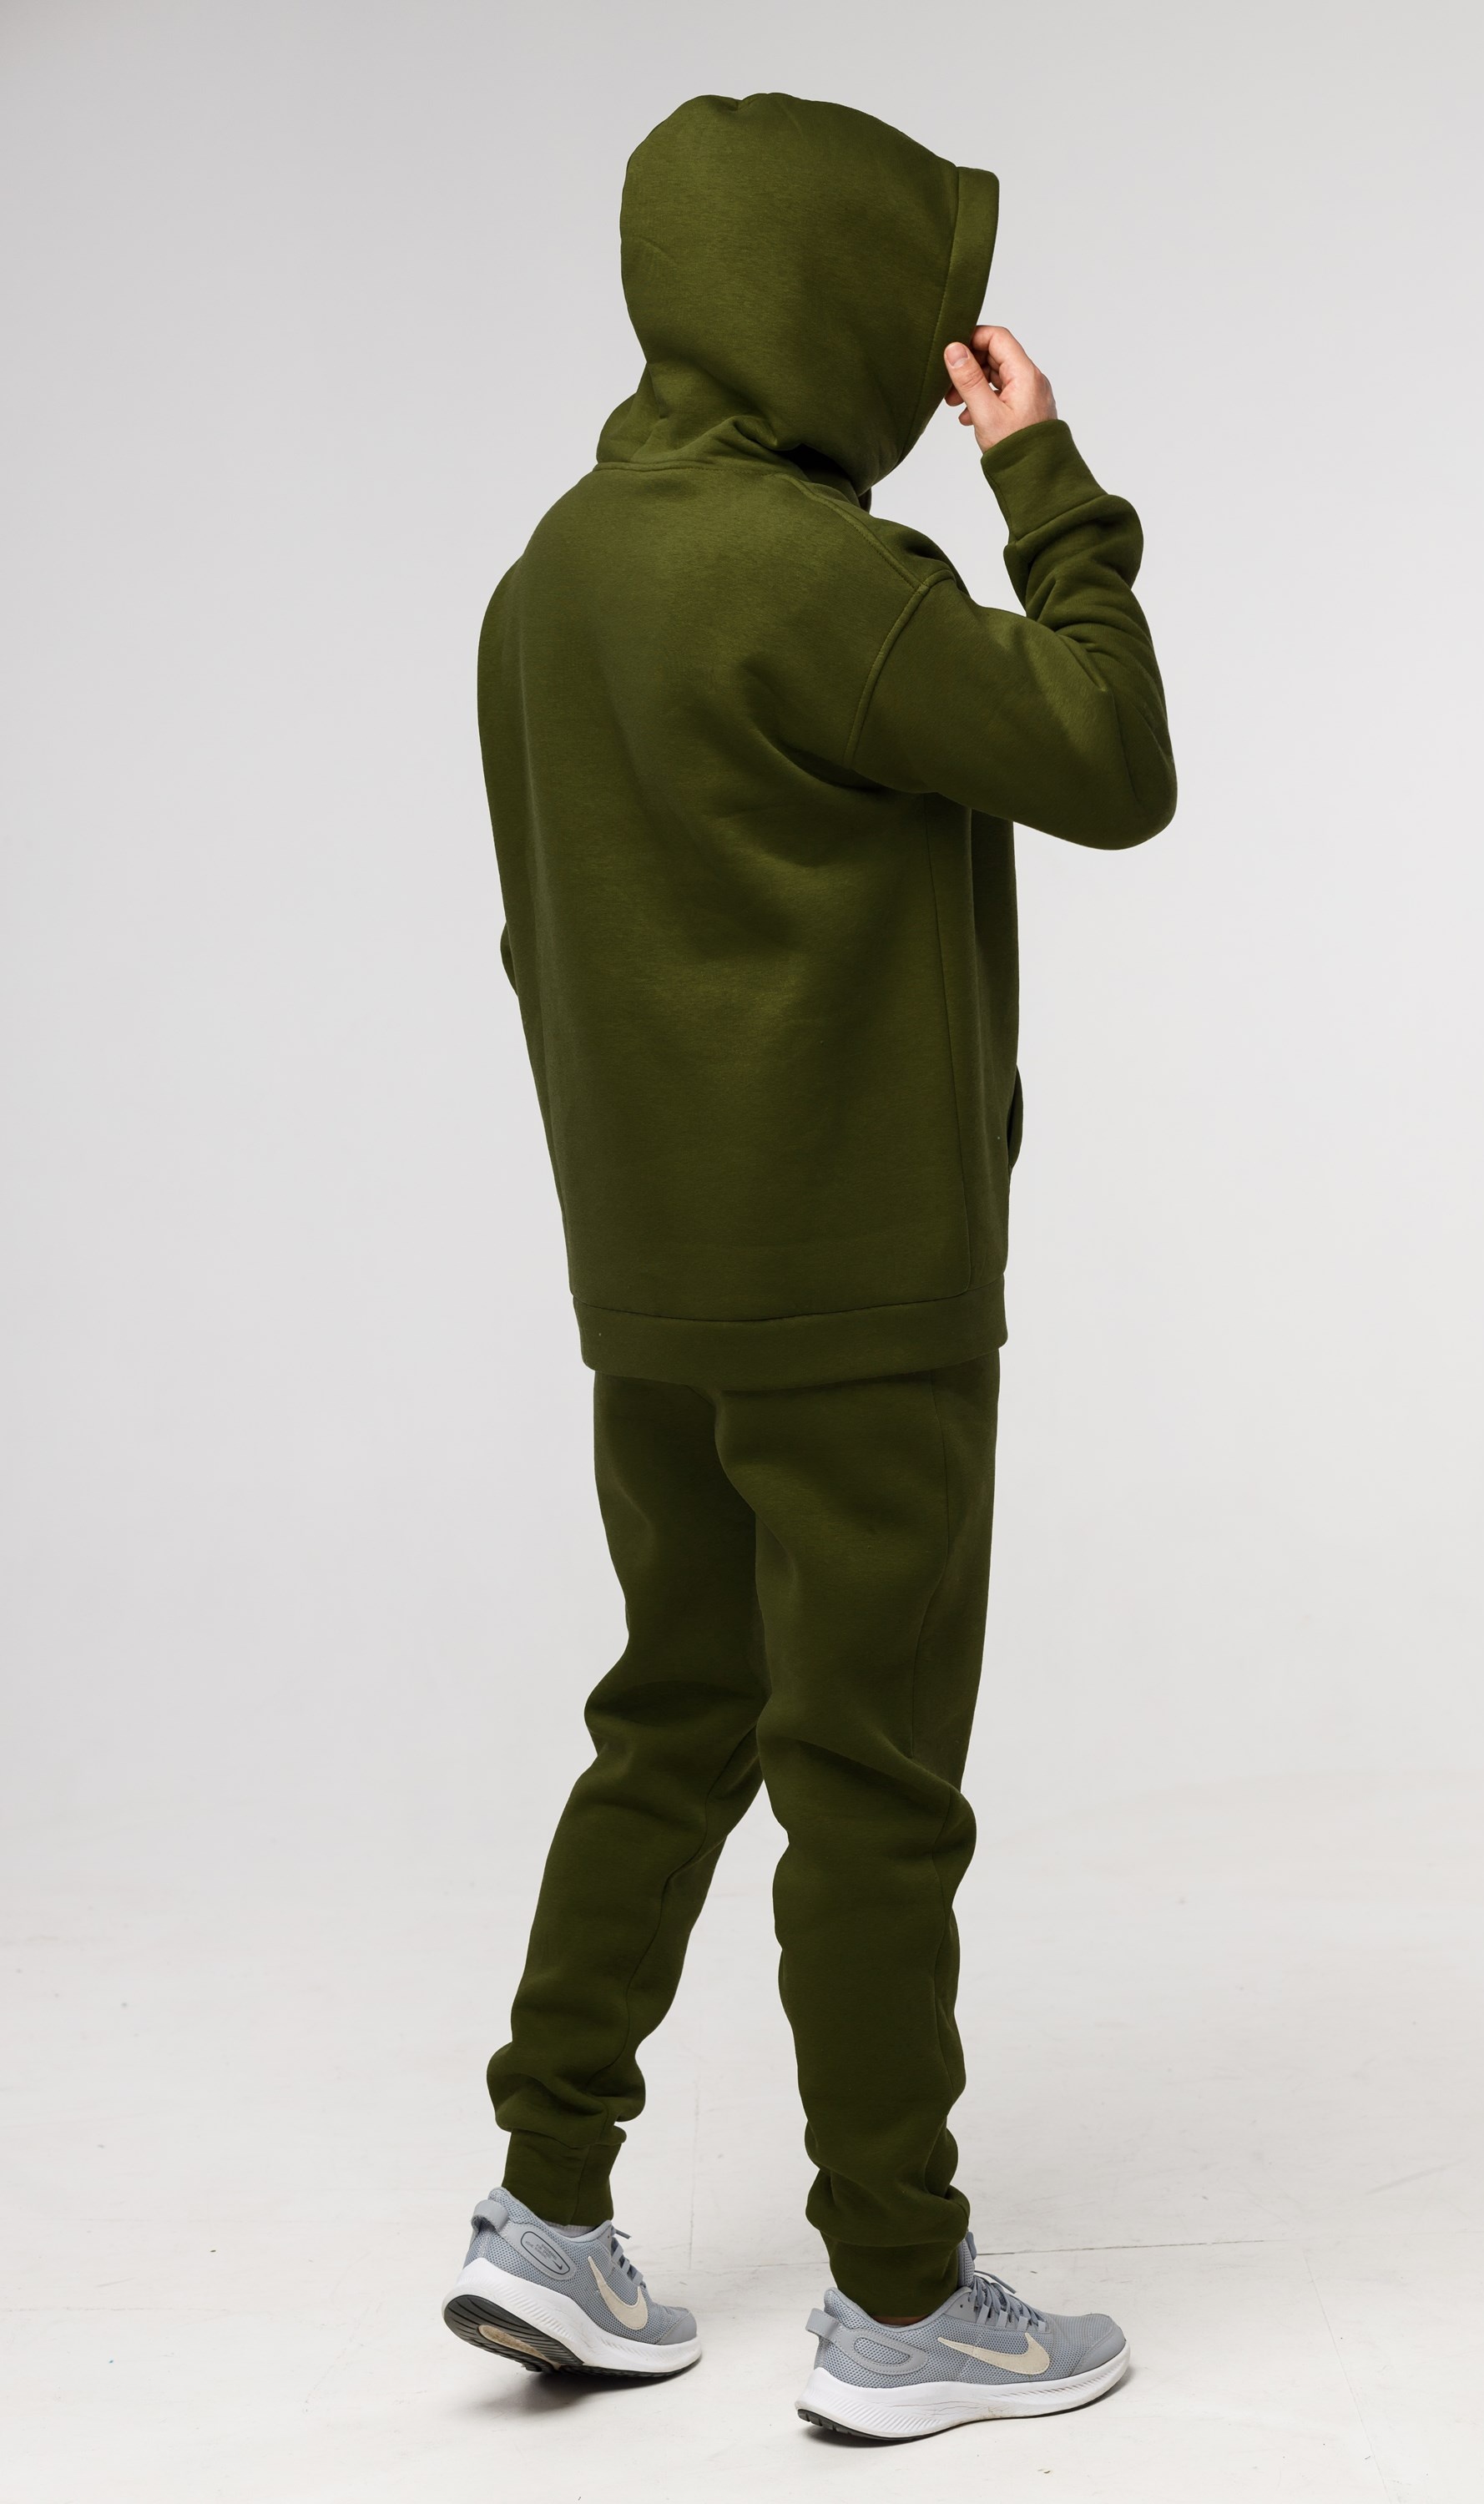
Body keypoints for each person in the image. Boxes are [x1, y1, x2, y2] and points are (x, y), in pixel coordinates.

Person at [442, 90, 1175, 2441]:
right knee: (870, 1782)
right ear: (831, 301)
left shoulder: (546, 583)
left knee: (674, 1712)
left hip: (652, 1282)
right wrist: (1044, 480)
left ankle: (544, 2211)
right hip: (863, 1289)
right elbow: (1113, 754)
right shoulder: (830, 585)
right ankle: (902, 2297)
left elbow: (542, 941)